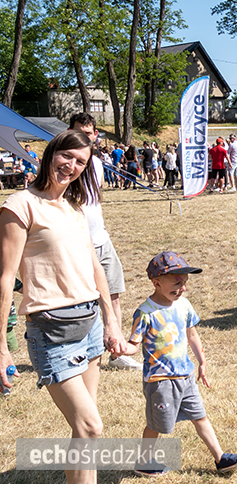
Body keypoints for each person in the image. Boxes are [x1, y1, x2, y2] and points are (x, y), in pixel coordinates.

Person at [0, 130, 127, 483]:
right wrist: (1, 348)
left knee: (84, 432)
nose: (71, 166)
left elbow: (95, 267)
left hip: (89, 325)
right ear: (51, 154)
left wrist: (112, 323)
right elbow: (5, 279)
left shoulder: (74, 207)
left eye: (80, 162)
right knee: (90, 425)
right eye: (66, 156)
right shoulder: (19, 205)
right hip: (51, 330)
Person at [124, 252, 237, 476]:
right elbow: (133, 345)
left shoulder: (184, 305)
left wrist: (202, 361)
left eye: (185, 283)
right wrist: (121, 349)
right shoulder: (145, 313)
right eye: (177, 283)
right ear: (156, 283)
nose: (182, 288)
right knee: (156, 425)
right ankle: (144, 461)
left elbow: (192, 334)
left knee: (200, 417)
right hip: (160, 381)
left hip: (186, 376)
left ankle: (220, 458)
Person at [70, 113, 141, 371]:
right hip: (75, 244)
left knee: (112, 295)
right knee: (80, 301)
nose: (84, 137)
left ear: (95, 135)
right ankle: (81, 354)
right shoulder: (64, 163)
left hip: (101, 239)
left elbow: (95, 199)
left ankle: (116, 352)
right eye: (79, 132)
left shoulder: (98, 163)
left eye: (88, 133)